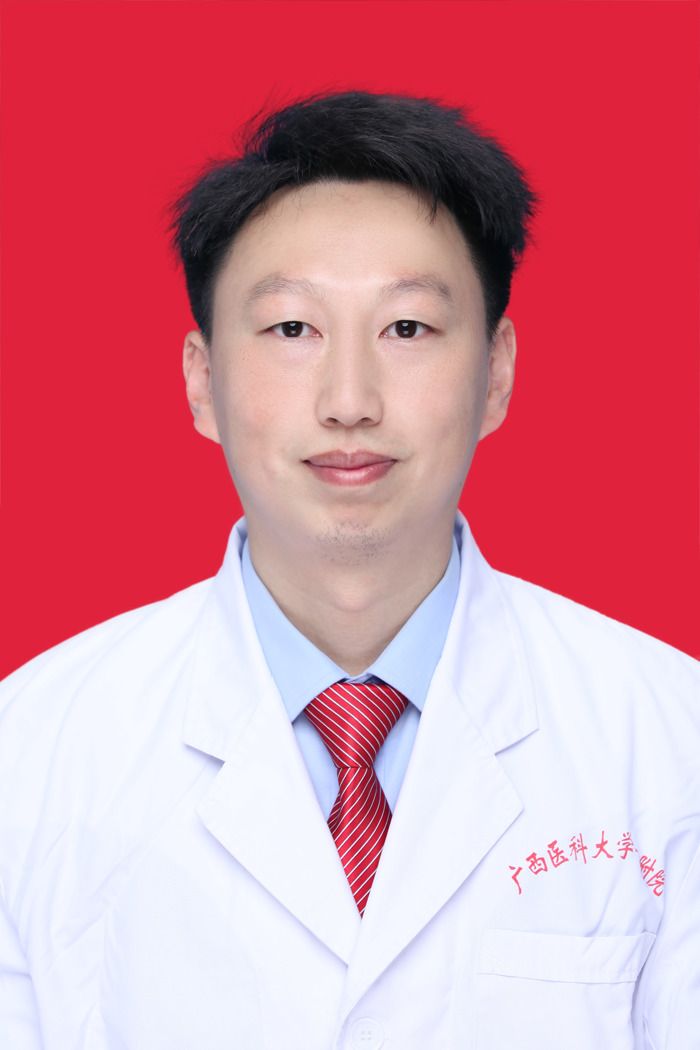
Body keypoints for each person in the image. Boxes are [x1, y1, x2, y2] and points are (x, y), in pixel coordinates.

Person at [0, 91, 698, 1050]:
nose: (350, 400)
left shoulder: (668, 737)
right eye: (293, 330)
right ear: (202, 380)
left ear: (496, 373)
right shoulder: (34, 749)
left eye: (407, 329)